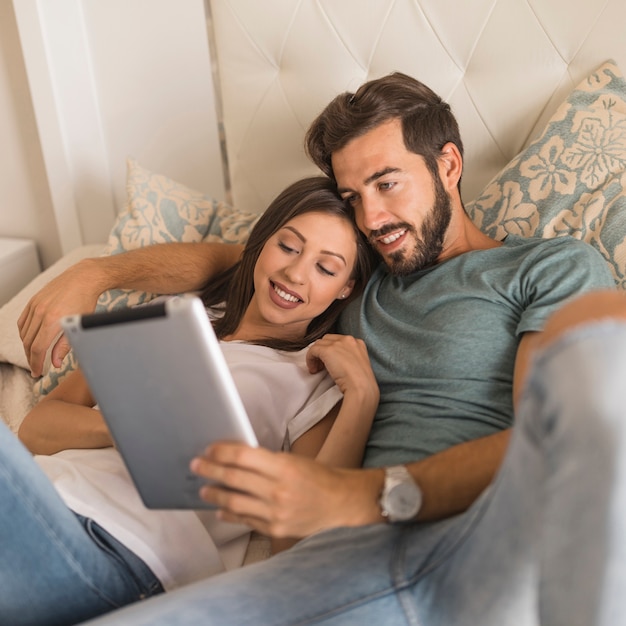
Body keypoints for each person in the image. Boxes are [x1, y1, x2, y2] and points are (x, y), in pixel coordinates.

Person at [18, 73, 621, 625]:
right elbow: (235, 258)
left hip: (454, 540)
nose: (373, 216)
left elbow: (551, 440)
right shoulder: (357, 274)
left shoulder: (546, 267)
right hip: (327, 561)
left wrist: (357, 495)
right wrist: (98, 273)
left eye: (386, 183)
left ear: (449, 165)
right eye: (353, 195)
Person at [1, 176, 379, 626]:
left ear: (346, 289)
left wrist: (362, 398)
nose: (296, 273)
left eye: (326, 267)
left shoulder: (313, 378)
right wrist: (131, 428)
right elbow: (37, 428)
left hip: (121, 546)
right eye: (289, 246)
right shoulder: (179, 319)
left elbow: (297, 541)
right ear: (259, 245)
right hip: (45, 490)